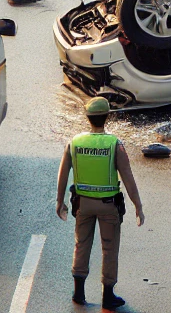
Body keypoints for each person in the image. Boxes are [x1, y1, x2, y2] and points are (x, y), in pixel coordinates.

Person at [56, 96, 145, 310]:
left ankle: (78, 292)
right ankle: (108, 296)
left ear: (87, 118)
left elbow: (62, 174)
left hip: (82, 205)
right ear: (107, 117)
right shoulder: (115, 144)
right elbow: (128, 178)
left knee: (81, 244)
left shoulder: (74, 142)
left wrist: (60, 202)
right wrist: (138, 206)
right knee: (109, 248)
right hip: (108, 206)